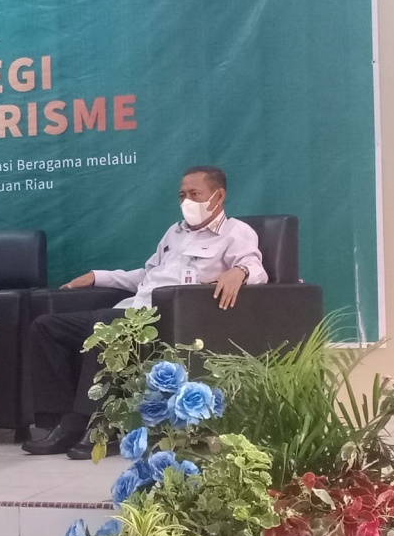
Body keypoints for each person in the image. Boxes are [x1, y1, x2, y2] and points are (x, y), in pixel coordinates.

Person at [23, 165, 267, 459]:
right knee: (47, 326)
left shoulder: (236, 232)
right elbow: (147, 275)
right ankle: (60, 423)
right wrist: (99, 276)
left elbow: (256, 269)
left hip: (169, 320)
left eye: (195, 194)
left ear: (218, 196)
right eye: (182, 195)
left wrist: (239, 272)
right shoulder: (175, 232)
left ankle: (99, 426)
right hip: (131, 312)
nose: (187, 201)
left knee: (104, 324)